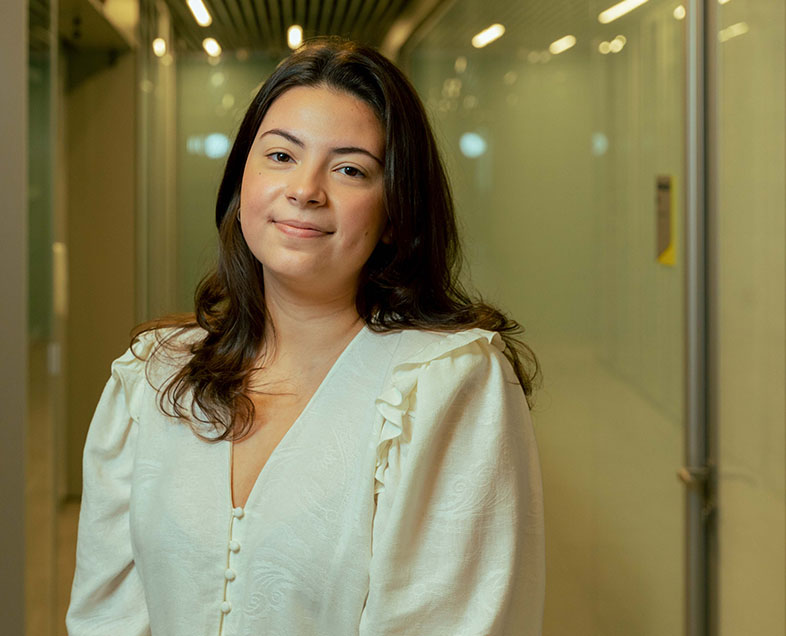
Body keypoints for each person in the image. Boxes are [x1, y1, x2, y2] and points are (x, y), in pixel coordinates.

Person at [66, 36, 545, 636]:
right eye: (281, 156)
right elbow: (104, 614)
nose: (305, 190)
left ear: (395, 212)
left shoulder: (446, 383)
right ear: (244, 181)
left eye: (349, 169)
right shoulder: (153, 376)